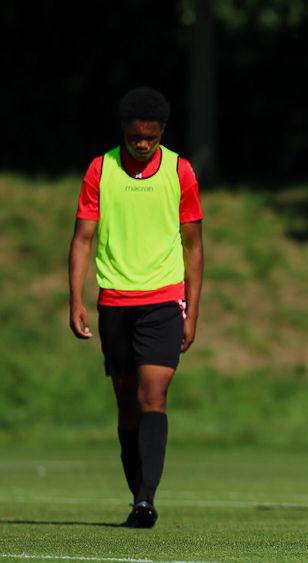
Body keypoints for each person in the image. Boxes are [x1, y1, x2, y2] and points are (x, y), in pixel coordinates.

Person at [68, 87, 204, 528]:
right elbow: (83, 239)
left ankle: (147, 500)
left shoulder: (181, 171)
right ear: (123, 131)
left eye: (150, 137)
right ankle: (137, 496)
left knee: (154, 396)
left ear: (162, 131)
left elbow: (194, 245)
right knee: (127, 405)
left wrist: (193, 309)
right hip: (115, 301)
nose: (142, 145)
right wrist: (76, 299)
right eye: (134, 137)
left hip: (164, 299)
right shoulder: (100, 169)